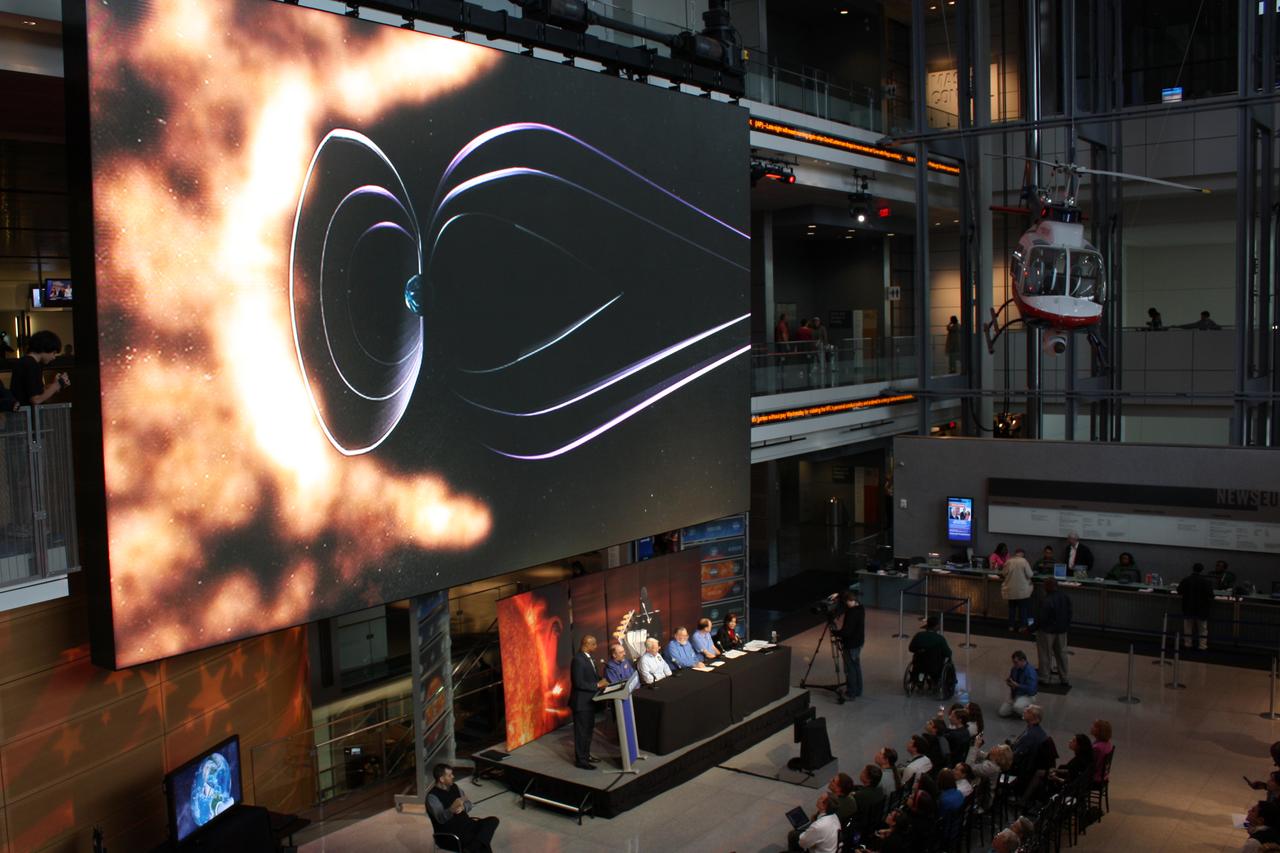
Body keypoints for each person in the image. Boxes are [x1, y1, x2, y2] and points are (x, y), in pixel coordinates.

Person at [426, 764, 500, 853]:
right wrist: (451, 810)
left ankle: (471, 848)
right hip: (450, 834)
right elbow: (440, 819)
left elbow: (468, 803)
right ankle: (473, 847)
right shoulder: (432, 797)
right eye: (449, 775)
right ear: (441, 779)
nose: (453, 776)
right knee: (482, 843)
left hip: (467, 824)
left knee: (492, 821)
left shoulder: (455, 787)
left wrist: (463, 807)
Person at [570, 635, 606, 769]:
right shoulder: (578, 660)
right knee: (581, 733)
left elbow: (594, 677)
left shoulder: (588, 658)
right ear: (587, 644)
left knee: (588, 731)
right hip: (581, 703)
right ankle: (581, 760)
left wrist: (603, 681)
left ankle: (586, 755)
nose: (596, 647)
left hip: (590, 702)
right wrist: (597, 685)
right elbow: (578, 683)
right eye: (594, 644)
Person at [10, 330, 70, 407]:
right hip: (24, 415)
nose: (54, 357)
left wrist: (56, 385)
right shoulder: (30, 364)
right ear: (44, 348)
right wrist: (56, 385)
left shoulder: (30, 362)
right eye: (53, 353)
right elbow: (36, 399)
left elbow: (38, 391)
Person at [1036, 578, 1072, 687]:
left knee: (1045, 654)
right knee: (1062, 654)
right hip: (1062, 630)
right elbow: (1069, 613)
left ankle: (1044, 678)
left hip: (1047, 631)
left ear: (1048, 587)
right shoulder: (1065, 597)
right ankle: (1064, 678)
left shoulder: (1046, 599)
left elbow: (1042, 618)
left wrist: (1031, 628)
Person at [834, 590, 866, 700]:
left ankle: (851, 692)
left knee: (850, 668)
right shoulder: (860, 608)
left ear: (851, 601)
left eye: (847, 602)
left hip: (851, 644)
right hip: (858, 642)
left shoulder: (852, 613)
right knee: (856, 666)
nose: (846, 604)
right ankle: (858, 690)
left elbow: (847, 631)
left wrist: (836, 633)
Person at [1177, 562, 1215, 650]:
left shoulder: (1186, 579)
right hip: (1202, 608)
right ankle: (1202, 646)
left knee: (1188, 627)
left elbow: (1179, 591)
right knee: (1202, 629)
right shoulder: (1206, 582)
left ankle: (1188, 644)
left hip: (1188, 606)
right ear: (1202, 570)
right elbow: (1211, 595)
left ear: (1192, 569)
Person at [908, 615, 953, 688]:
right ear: (936, 626)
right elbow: (948, 653)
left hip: (919, 665)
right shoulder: (940, 639)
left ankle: (919, 680)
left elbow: (911, 648)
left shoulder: (919, 635)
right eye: (938, 625)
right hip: (935, 667)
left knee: (921, 664)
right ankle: (936, 681)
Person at [1001, 548, 1034, 631]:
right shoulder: (1024, 561)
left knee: (1012, 609)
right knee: (1023, 609)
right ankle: (1022, 626)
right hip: (1022, 591)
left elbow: (1003, 573)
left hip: (1011, 590)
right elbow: (1030, 575)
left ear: (1015, 553)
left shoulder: (1009, 561)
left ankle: (1011, 626)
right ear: (1022, 554)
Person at [998, 651, 1038, 717]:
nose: (1014, 664)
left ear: (1023, 660)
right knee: (1002, 712)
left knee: (1017, 707)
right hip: (1015, 694)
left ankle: (1030, 710)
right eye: (1013, 662)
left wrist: (1018, 685)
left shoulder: (1030, 672)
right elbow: (1012, 680)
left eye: (1016, 662)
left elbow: (1031, 689)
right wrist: (1009, 682)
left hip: (1027, 695)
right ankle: (1018, 706)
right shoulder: (1014, 669)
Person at [1090, 719, 1114, 784]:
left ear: (1100, 731)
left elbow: (1092, 766)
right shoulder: (1108, 744)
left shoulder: (1097, 748)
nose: (1091, 727)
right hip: (1103, 776)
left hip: (1096, 777)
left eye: (1094, 726)